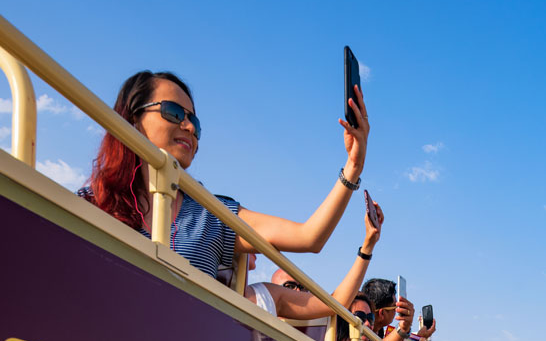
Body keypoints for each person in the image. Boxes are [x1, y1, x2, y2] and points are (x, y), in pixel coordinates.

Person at [80, 70, 370, 280]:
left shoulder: (212, 213)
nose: (190, 127)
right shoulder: (92, 204)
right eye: (173, 112)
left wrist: (353, 166)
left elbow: (309, 237)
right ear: (132, 118)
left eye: (193, 120)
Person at [244, 199, 383, 319]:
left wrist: (368, 247)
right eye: (290, 287)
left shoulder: (265, 296)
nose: (297, 292)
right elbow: (308, 238)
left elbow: (336, 302)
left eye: (303, 288)